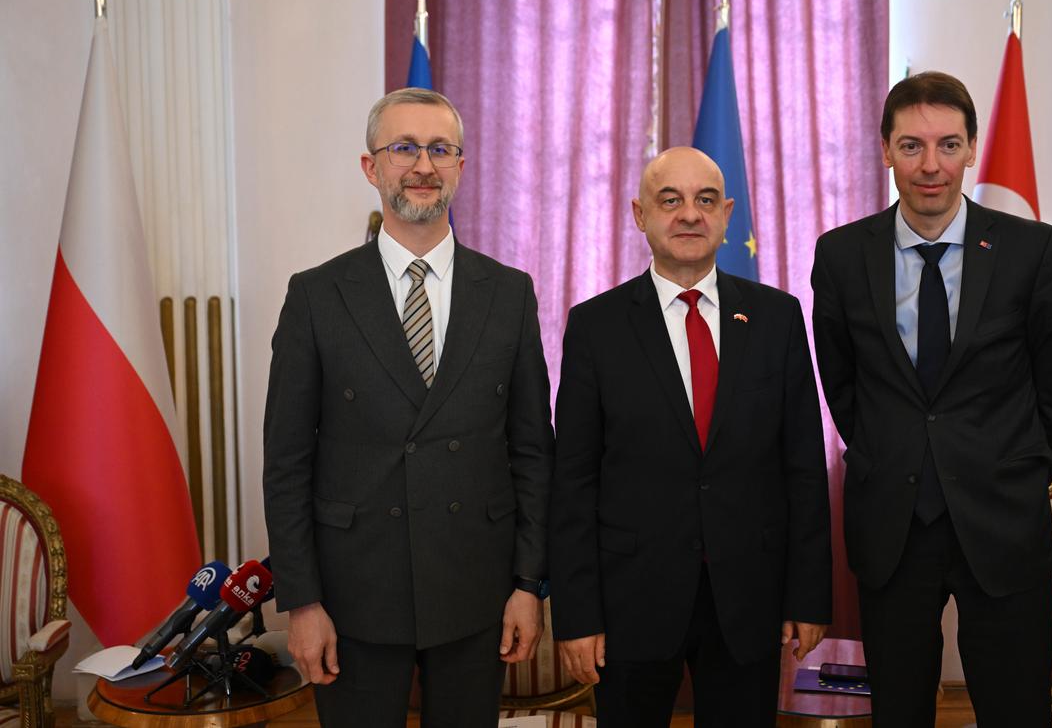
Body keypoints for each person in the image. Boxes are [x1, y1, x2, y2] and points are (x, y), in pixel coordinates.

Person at [262, 88, 554, 727]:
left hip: (474, 591)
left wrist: (528, 585)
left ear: (460, 167)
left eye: (441, 149)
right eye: (404, 148)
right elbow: (286, 462)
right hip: (352, 596)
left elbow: (534, 452)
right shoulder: (316, 295)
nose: (424, 165)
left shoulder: (509, 294)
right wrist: (302, 603)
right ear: (372, 168)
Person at [810, 71, 1052, 727]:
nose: (930, 165)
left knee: (1015, 708)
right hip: (892, 524)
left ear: (971, 146)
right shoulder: (843, 255)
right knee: (899, 710)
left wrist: (1018, 469)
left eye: (947, 144)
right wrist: (889, 451)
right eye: (911, 146)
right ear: (884, 150)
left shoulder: (1031, 249)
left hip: (1002, 518)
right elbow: (843, 387)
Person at [551, 146, 832, 728]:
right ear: (640, 214)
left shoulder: (777, 318)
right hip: (631, 601)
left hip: (748, 599)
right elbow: (573, 479)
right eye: (670, 200)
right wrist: (577, 614)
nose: (689, 215)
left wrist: (807, 597)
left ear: (727, 214)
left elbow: (802, 466)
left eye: (705, 201)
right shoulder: (595, 326)